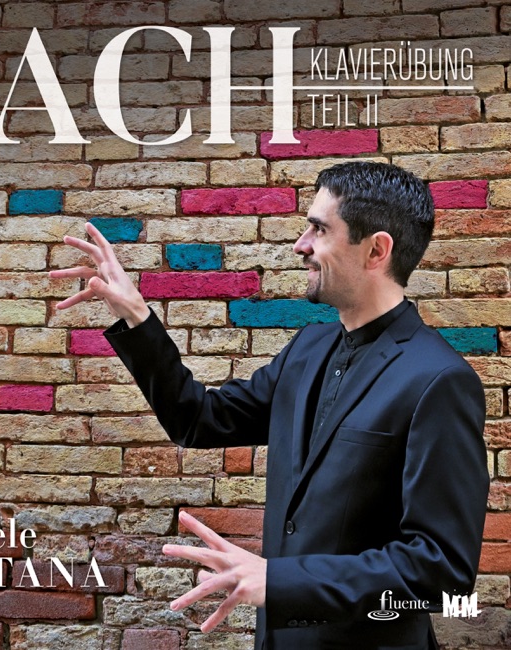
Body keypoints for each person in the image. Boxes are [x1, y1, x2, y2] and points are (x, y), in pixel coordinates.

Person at [50, 161, 489, 650]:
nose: (301, 245)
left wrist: (280, 581)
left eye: (319, 229)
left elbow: (443, 574)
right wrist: (136, 316)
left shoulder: (440, 381)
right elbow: (198, 419)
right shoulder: (308, 349)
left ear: (376, 250)